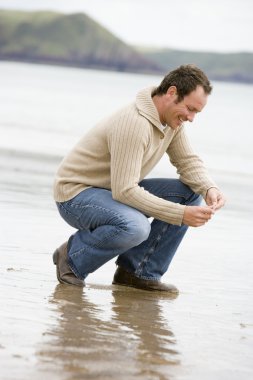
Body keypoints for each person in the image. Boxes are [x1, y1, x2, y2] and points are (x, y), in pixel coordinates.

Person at [52, 64, 225, 292]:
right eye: (190, 109)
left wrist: (209, 188)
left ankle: (138, 272)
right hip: (76, 196)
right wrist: (180, 215)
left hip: (110, 192)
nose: (191, 118)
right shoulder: (134, 123)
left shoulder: (171, 121)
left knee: (190, 193)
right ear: (172, 93)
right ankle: (73, 258)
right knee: (136, 227)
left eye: (196, 112)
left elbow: (187, 162)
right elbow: (125, 191)